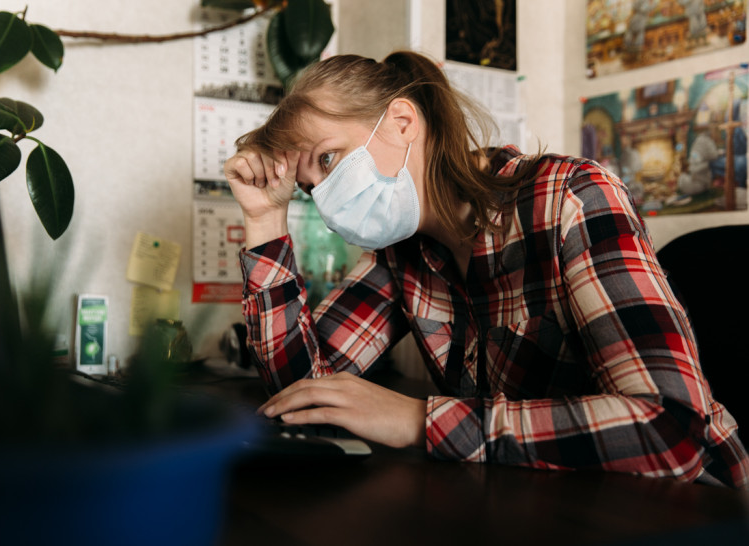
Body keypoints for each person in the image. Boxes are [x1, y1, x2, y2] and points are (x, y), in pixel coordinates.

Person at [223, 50, 749, 488]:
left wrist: (419, 420)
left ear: (402, 122)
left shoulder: (572, 198)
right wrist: (266, 219)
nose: (326, 199)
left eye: (329, 160)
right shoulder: (401, 250)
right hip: (548, 504)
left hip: (693, 508)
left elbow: (671, 430)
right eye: (310, 189)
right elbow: (308, 395)